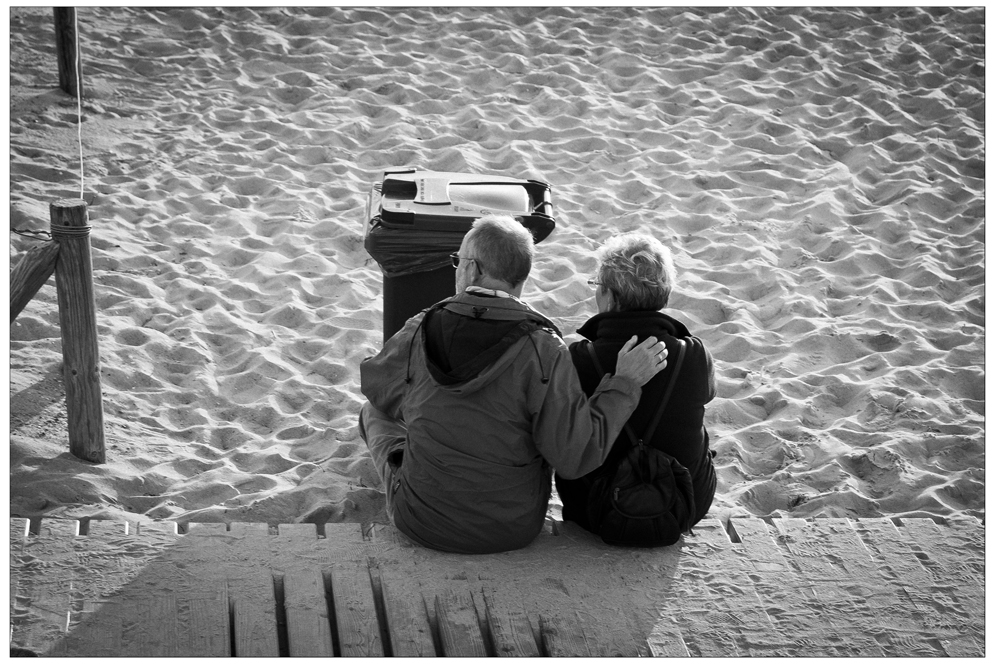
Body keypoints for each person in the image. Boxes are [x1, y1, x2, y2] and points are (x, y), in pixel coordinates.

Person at [359, 215, 669, 554]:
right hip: (511, 528)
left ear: (473, 269)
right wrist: (623, 384)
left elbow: (376, 386)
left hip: (421, 522)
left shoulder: (422, 326)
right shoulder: (545, 346)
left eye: (457, 262)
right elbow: (575, 455)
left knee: (372, 412)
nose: (457, 269)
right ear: (522, 275)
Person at [555, 232, 717, 533]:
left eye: (597, 286)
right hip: (682, 504)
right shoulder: (693, 355)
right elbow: (707, 394)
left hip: (594, 507)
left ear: (610, 296)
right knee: (698, 421)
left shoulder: (577, 358)